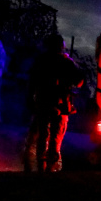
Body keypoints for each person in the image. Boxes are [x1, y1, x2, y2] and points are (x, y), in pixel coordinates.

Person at [24, 33, 85, 173]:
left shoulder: (41, 60)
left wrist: (30, 99)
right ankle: (50, 166)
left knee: (42, 135)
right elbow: (79, 81)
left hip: (44, 102)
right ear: (61, 46)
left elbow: (32, 82)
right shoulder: (66, 62)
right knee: (55, 137)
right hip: (60, 103)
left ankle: (42, 165)